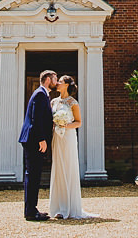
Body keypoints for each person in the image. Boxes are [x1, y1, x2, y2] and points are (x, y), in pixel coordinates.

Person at [48, 75, 97, 219]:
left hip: (68, 137)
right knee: (58, 167)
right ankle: (58, 207)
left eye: (60, 82)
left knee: (68, 167)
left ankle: (68, 208)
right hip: (56, 137)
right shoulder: (53, 102)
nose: (57, 83)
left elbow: (79, 122)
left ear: (67, 85)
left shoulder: (73, 103)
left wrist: (65, 125)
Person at [19, 69, 57, 221]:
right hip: (34, 140)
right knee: (33, 176)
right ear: (48, 79)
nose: (57, 81)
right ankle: (30, 211)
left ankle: (32, 209)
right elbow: (36, 119)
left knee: (34, 175)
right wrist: (42, 139)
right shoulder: (40, 94)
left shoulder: (42, 94)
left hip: (33, 140)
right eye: (55, 78)